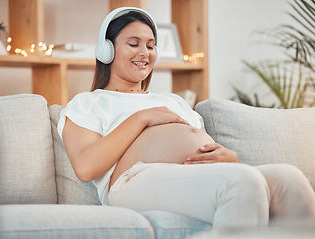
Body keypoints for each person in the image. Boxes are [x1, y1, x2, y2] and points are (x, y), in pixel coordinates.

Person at [58, 7, 315, 227]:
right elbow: (86, 167)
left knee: (289, 179)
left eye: (150, 45)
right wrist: (141, 119)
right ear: (107, 50)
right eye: (133, 44)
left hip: (193, 177)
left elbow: (204, 147)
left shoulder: (173, 101)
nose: (145, 52)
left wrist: (230, 156)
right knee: (243, 182)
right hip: (132, 182)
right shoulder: (88, 103)